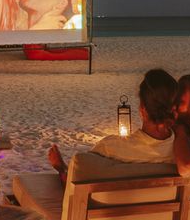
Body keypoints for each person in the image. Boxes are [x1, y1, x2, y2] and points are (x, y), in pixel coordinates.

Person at [48, 68, 178, 186]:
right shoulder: (183, 153)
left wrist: (62, 168)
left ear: (142, 109)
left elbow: (79, 180)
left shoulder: (110, 148)